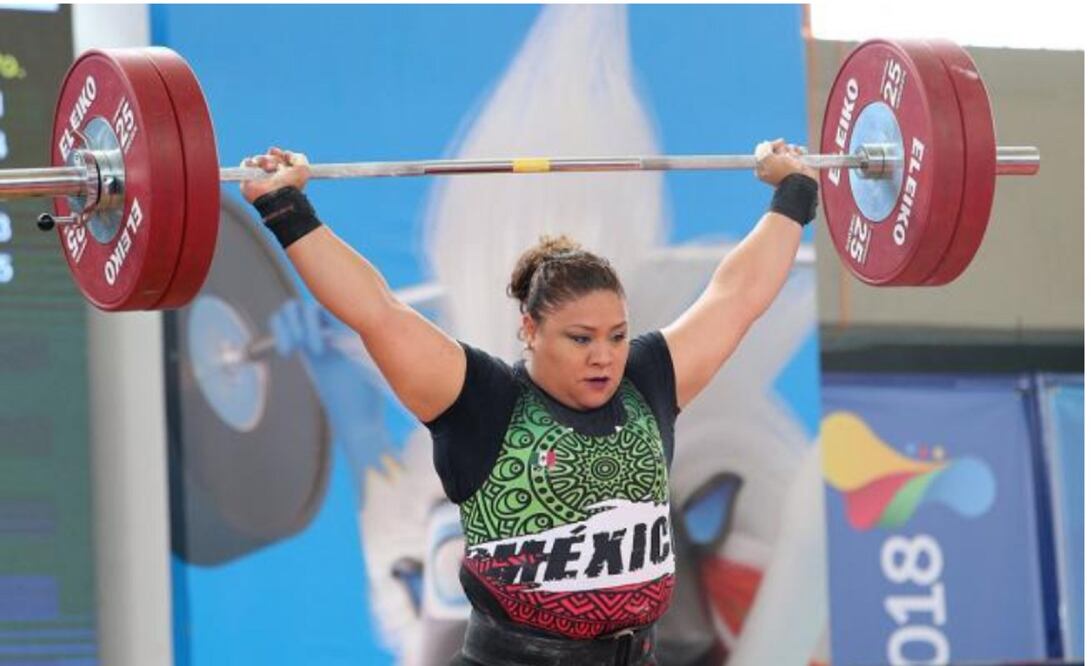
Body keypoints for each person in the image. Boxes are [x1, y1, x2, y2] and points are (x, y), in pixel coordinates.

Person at [240, 140, 818, 666]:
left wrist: (792, 191)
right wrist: (285, 207)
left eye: (617, 336)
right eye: (580, 338)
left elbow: (736, 296)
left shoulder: (649, 381)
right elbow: (376, 311)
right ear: (530, 330)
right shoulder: (479, 401)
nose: (604, 356)